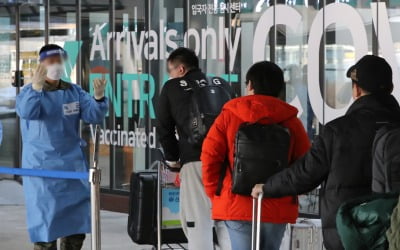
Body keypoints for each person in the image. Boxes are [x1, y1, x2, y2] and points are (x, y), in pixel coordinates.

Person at [251, 55, 400, 250]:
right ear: (390, 88)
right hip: (394, 231)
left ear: (356, 90)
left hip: (348, 233)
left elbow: (305, 173)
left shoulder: (337, 131)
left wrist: (268, 187)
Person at [201, 61, 311, 250]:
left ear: (250, 85)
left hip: (236, 204)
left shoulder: (228, 116)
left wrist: (216, 192)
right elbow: (304, 165)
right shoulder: (292, 123)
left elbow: (210, 157)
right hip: (277, 204)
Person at [16, 44, 108, 250]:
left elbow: (94, 115)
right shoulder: (29, 93)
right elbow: (27, 112)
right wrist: (36, 89)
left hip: (71, 168)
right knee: (46, 230)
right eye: (50, 61)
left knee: (75, 229)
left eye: (59, 61)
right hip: (42, 170)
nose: (55, 65)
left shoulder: (73, 91)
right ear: (41, 64)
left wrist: (99, 98)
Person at [156, 47, 231, 250]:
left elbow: (164, 129)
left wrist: (173, 161)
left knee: (198, 222)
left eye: (170, 71)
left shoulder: (172, 87)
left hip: (195, 161)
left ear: (180, 69)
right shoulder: (221, 84)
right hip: (227, 163)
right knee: (226, 221)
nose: (169, 76)